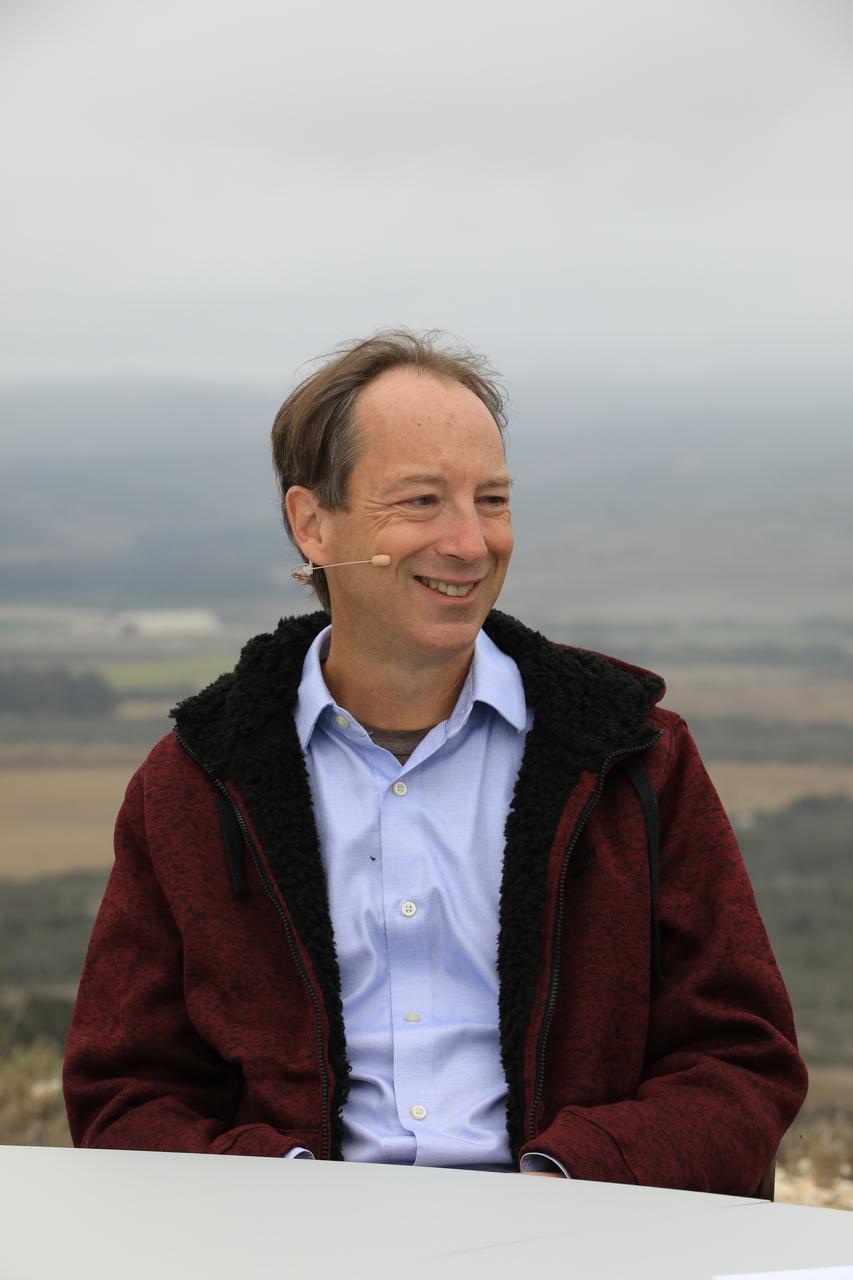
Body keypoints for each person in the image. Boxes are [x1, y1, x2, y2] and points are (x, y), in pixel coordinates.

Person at [63, 330, 807, 1192]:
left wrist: (566, 1186)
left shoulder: (636, 757)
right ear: (312, 524)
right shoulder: (193, 781)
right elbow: (124, 1090)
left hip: (578, 1242)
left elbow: (742, 1060)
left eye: (490, 500)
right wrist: (288, 1204)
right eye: (420, 501)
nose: (468, 542)